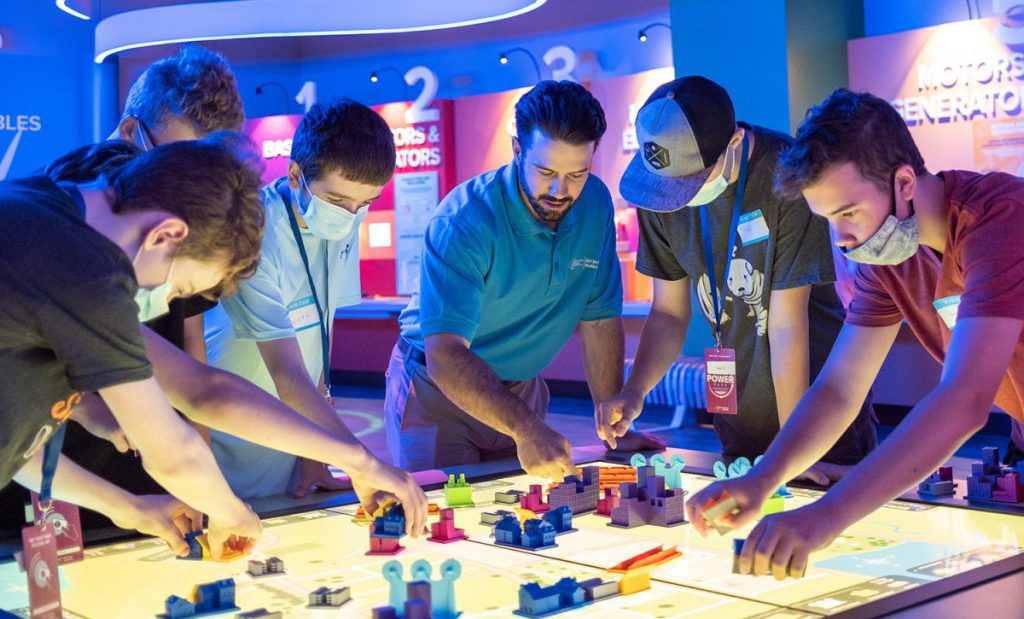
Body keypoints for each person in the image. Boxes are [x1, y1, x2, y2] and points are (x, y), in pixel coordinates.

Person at [688, 88, 1024, 580]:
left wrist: (826, 517)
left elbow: (964, 400)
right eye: (828, 220)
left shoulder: (998, 220)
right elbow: (841, 387)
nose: (842, 239)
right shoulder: (886, 254)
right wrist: (764, 478)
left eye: (848, 213)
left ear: (904, 182)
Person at [0, 44, 247, 534]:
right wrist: (239, 521)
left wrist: (128, 507)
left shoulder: (50, 209)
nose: (165, 296)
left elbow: (17, 435)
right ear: (166, 233)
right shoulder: (80, 265)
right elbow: (189, 417)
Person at [599, 76, 876, 482]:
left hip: (817, 424)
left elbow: (787, 325)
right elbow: (669, 311)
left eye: (688, 184)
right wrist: (634, 391)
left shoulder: (788, 174)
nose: (675, 199)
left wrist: (794, 450)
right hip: (740, 422)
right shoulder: (658, 193)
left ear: (732, 146)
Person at [385, 80, 664, 478]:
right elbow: (446, 355)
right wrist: (526, 427)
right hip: (436, 388)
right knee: (443, 520)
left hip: (521, 389)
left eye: (577, 174)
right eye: (545, 171)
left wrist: (614, 428)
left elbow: (600, 319)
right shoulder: (465, 221)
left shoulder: (596, 203)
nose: (560, 190)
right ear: (517, 150)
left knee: (525, 515)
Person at [204, 99, 394, 499]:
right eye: (339, 202)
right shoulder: (255, 233)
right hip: (224, 448)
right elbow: (287, 371)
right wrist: (361, 461)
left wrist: (315, 456)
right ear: (295, 175)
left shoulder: (342, 228)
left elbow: (318, 338)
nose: (351, 215)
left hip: (293, 445)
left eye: (365, 204)